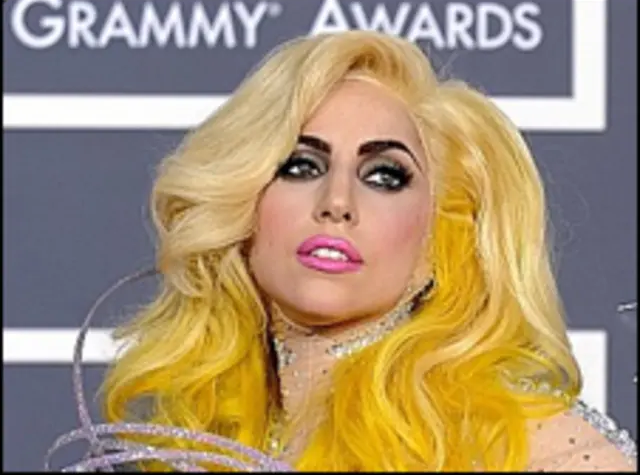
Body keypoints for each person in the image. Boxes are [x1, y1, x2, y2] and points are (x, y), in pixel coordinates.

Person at [46, 30, 637, 472]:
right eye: (301, 166)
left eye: (385, 176)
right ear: (242, 204)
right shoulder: (196, 440)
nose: (336, 201)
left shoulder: (533, 449)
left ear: (441, 235)